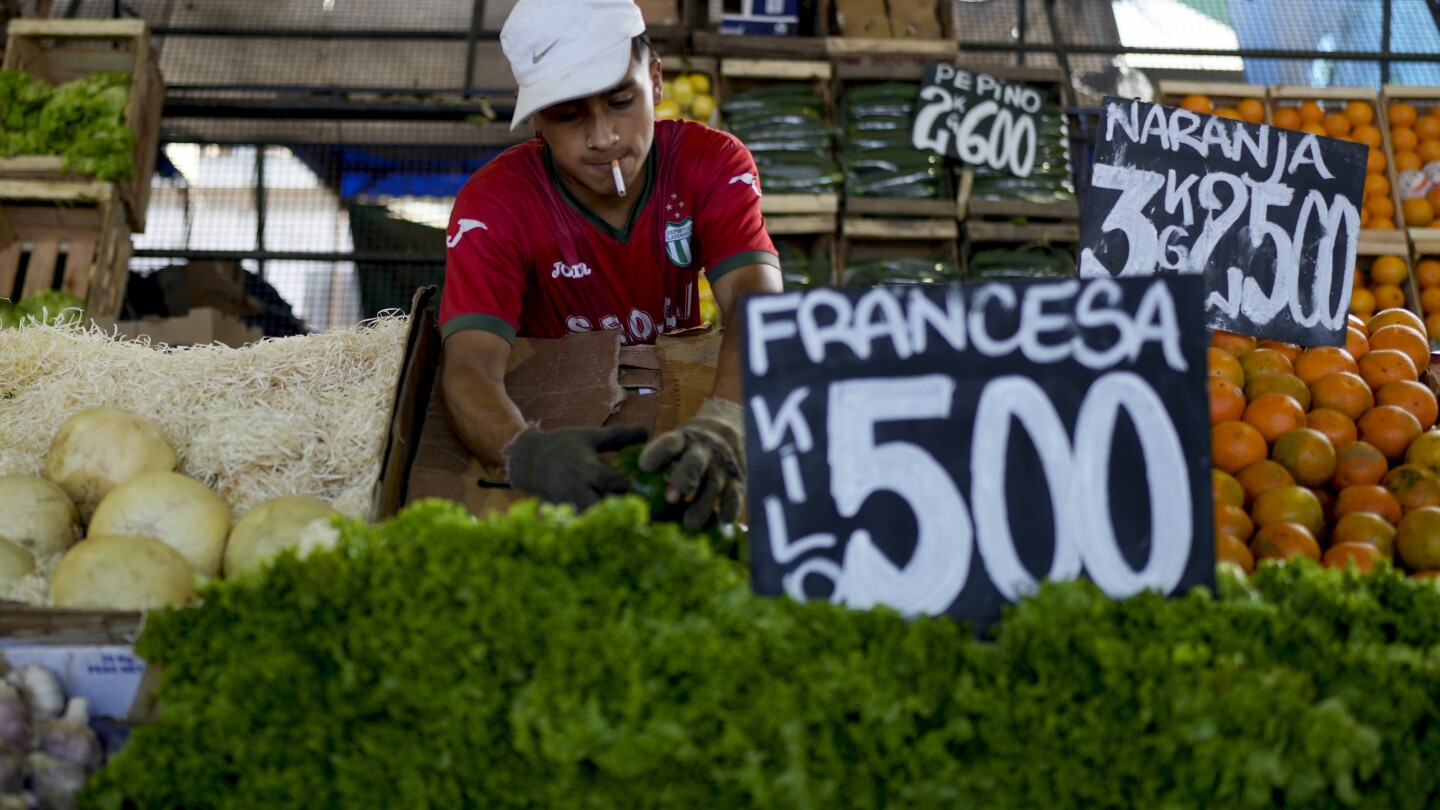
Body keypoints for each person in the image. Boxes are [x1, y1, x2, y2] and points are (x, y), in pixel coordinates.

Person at [439, 0, 784, 530]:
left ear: (656, 80)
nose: (604, 137)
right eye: (568, 113)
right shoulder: (493, 207)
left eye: (622, 100)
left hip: (682, 406)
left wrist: (728, 420)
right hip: (555, 419)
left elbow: (756, 301)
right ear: (535, 118)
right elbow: (470, 364)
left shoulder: (711, 163)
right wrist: (524, 452)